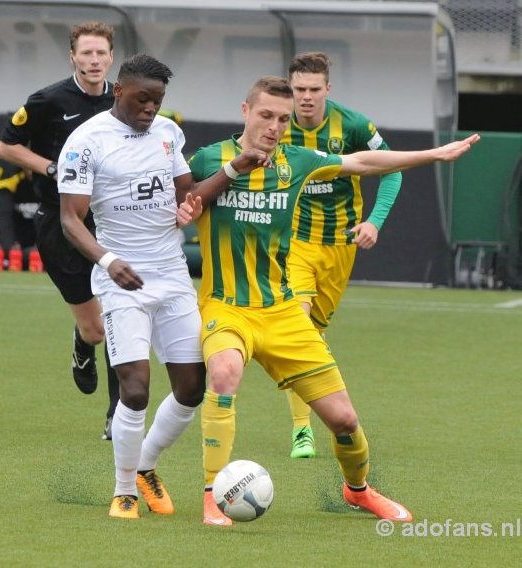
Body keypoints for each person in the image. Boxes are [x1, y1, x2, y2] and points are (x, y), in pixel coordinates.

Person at [175, 76, 479, 526]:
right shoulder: (207, 159)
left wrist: (432, 154)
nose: (275, 126)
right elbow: (175, 200)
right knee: (224, 372)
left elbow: (361, 161)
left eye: (283, 118)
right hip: (226, 305)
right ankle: (211, 496)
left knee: (345, 421)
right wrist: (183, 209)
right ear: (245, 110)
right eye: (266, 115)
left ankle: (358, 491)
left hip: (281, 312)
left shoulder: (298, 161)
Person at [57, 54, 272, 519]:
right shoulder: (85, 142)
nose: (150, 108)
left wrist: (234, 169)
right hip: (120, 281)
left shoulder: (168, 134)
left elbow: (186, 196)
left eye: (158, 101)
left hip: (172, 276)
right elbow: (70, 219)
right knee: (134, 390)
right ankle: (124, 492)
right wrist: (109, 261)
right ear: (118, 90)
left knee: (192, 389)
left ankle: (145, 467)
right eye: (142, 98)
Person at [0, 21, 120, 439]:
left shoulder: (124, 100)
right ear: (73, 57)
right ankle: (83, 343)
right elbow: (6, 146)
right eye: (86, 53)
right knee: (97, 329)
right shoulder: (48, 100)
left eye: (101, 53)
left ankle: (118, 415)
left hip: (110, 221)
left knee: (121, 319)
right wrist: (50, 168)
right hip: (60, 222)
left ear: (111, 57)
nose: (94, 60)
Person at [281, 52, 403, 459]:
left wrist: (375, 221)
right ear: (291, 88)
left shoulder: (352, 125)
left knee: (313, 333)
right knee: (297, 325)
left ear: (327, 90)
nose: (306, 97)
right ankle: (302, 429)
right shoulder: (276, 123)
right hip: (293, 242)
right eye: (299, 89)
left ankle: (318, 417)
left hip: (339, 245)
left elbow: (392, 168)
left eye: (315, 90)